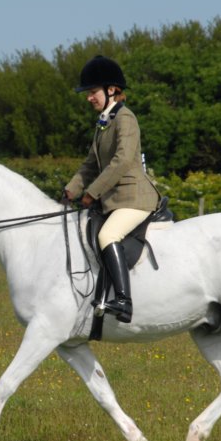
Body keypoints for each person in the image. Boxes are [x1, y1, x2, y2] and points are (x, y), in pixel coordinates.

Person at [63, 55, 161, 323]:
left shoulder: (125, 118)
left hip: (134, 198)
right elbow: (90, 163)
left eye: (92, 92)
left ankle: (123, 301)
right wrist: (71, 190)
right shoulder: (104, 122)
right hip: (115, 199)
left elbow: (122, 161)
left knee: (108, 235)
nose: (88, 98)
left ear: (111, 90)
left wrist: (92, 192)